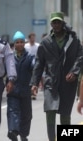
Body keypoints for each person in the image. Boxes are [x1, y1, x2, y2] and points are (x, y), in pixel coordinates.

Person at [31, 12, 83, 141]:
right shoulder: (45, 42)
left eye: (58, 22)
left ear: (62, 23)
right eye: (54, 22)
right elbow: (39, 63)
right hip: (51, 82)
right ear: (51, 24)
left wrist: (75, 72)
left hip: (68, 83)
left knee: (65, 115)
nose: (56, 24)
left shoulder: (73, 40)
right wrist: (34, 83)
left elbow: (80, 57)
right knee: (50, 112)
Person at [7, 31, 35, 141]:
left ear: (24, 43)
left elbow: (35, 69)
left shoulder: (30, 57)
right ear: (14, 44)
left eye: (21, 42)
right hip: (13, 91)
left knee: (26, 115)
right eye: (17, 42)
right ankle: (13, 132)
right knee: (13, 111)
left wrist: (34, 84)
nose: (19, 44)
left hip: (25, 90)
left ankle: (24, 135)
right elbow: (3, 71)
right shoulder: (9, 57)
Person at [24, 32, 39, 100]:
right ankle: (29, 92)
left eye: (34, 37)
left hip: (36, 64)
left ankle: (34, 92)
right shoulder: (26, 46)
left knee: (35, 78)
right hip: (27, 64)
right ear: (29, 38)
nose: (33, 39)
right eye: (32, 38)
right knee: (28, 78)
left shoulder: (38, 46)